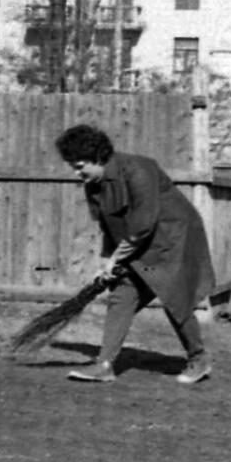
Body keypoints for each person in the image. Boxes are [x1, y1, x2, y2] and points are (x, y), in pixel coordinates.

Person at [55, 124, 214, 384]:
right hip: (140, 242)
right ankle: (104, 364)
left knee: (174, 296)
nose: (76, 172)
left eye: (80, 165)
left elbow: (143, 224)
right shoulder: (93, 185)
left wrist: (117, 258)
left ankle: (198, 358)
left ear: (98, 157)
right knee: (122, 294)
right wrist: (107, 262)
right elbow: (109, 227)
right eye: (73, 166)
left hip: (175, 238)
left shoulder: (140, 169)